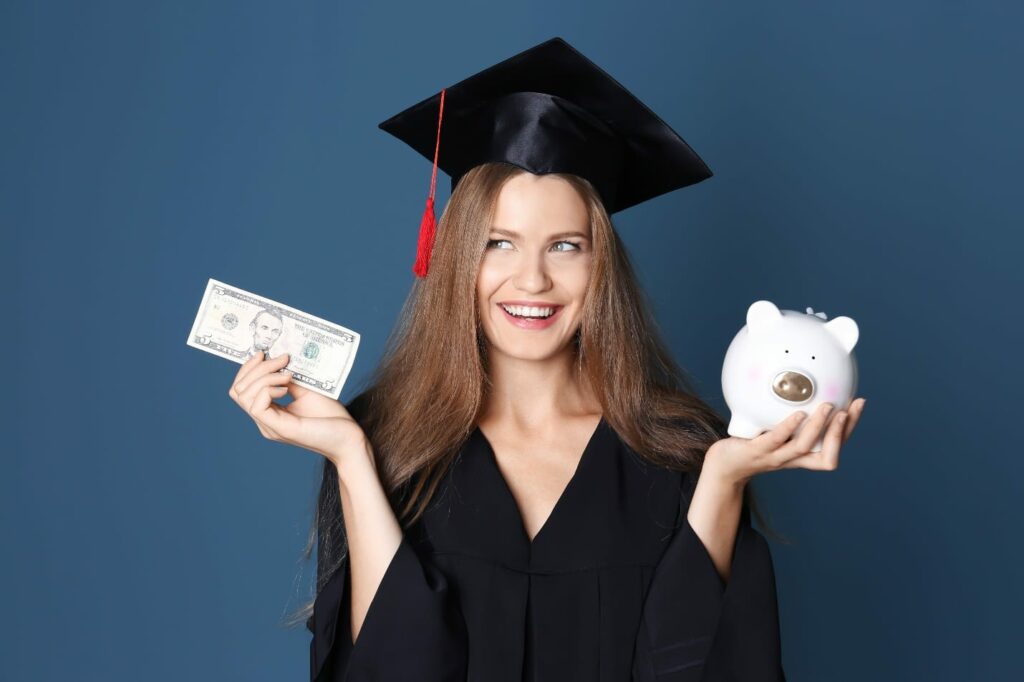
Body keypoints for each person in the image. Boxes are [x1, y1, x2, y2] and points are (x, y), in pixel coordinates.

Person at [227, 37, 866, 681]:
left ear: (601, 266)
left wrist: (722, 482)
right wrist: (351, 457)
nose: (531, 280)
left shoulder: (679, 452)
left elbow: (696, 669)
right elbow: (392, 669)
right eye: (499, 243)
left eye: (565, 245)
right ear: (456, 259)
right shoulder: (387, 442)